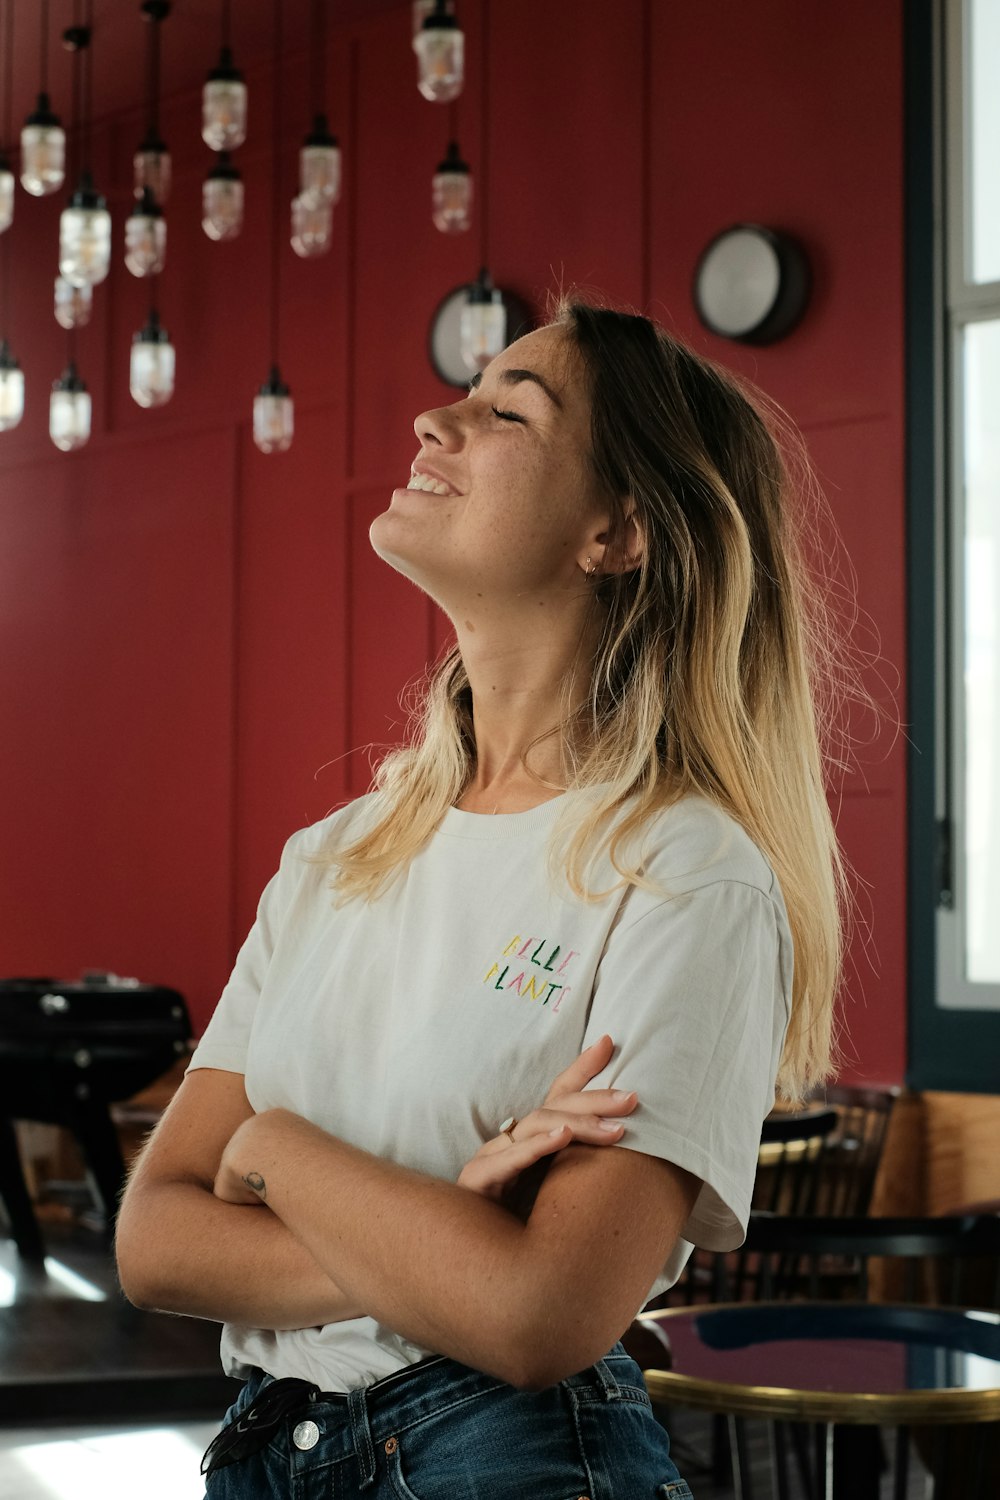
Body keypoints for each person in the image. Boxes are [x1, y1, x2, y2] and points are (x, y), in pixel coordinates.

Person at [115, 298, 848, 1499]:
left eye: (508, 408)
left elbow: (534, 1316)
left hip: (506, 1457)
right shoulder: (333, 857)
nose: (431, 418)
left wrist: (271, 1149)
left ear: (617, 531)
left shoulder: (684, 871)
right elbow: (153, 1246)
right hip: (263, 1455)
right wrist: (438, 1233)